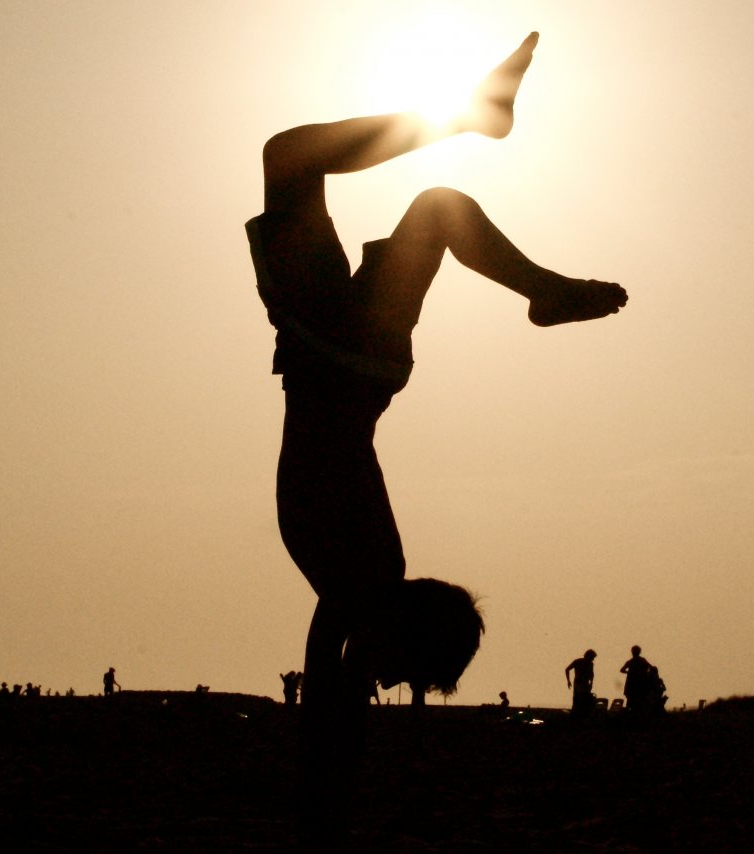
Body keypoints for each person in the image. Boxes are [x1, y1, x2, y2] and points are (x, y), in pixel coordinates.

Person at [246, 31, 626, 835]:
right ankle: (521, 235)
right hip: (337, 354)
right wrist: (322, 785)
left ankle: (535, 263)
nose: (375, 675)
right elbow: (335, 694)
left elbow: (337, 690)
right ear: (395, 636)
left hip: (355, 358)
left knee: (427, 206)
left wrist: (323, 782)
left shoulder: (361, 581)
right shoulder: (358, 580)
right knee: (301, 159)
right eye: (390, 669)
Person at [565, 649, 598, 717]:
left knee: (584, 699)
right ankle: (575, 714)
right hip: (578, 683)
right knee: (577, 698)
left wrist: (591, 684)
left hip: (585, 684)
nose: (592, 659)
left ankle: (582, 713)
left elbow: (592, 675)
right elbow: (567, 669)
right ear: (588, 656)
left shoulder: (590, 664)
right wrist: (568, 681)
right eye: (592, 657)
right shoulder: (578, 661)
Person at [620, 645, 651, 712]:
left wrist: (629, 672)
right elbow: (651, 667)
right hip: (639, 685)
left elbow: (622, 670)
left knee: (631, 702)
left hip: (633, 685)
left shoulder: (631, 661)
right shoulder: (642, 660)